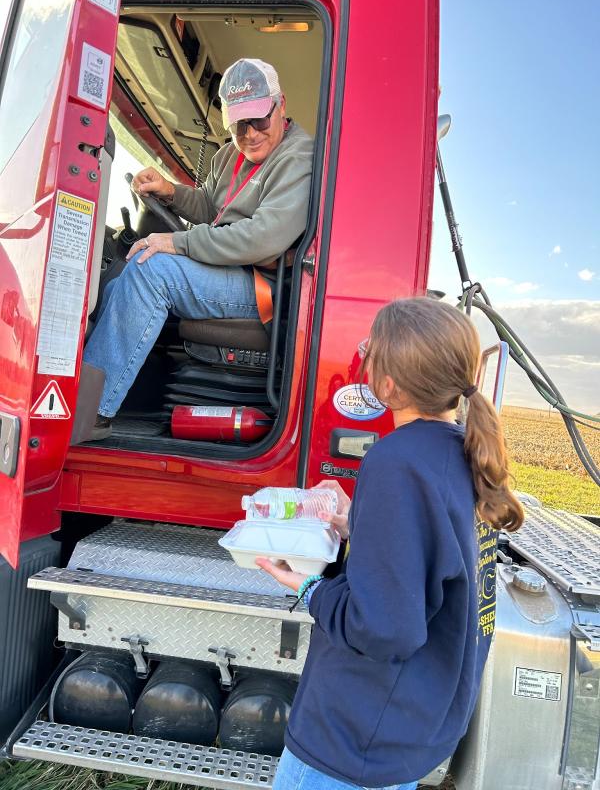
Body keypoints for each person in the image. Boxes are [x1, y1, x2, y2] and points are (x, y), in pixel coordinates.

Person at [257, 295, 525, 790]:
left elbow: (386, 632)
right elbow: (429, 558)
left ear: (387, 384)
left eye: (370, 351)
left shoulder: (396, 462)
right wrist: (356, 527)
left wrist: (309, 586)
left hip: (351, 744)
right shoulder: (458, 454)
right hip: (401, 731)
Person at [83, 58, 313, 439]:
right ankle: (118, 390)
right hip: (227, 271)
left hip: (263, 286)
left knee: (151, 271)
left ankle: (90, 410)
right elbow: (210, 206)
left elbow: (263, 239)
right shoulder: (228, 156)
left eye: (259, 119)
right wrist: (170, 192)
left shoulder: (298, 157)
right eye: (239, 124)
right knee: (127, 269)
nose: (251, 133)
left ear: (281, 105)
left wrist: (177, 242)